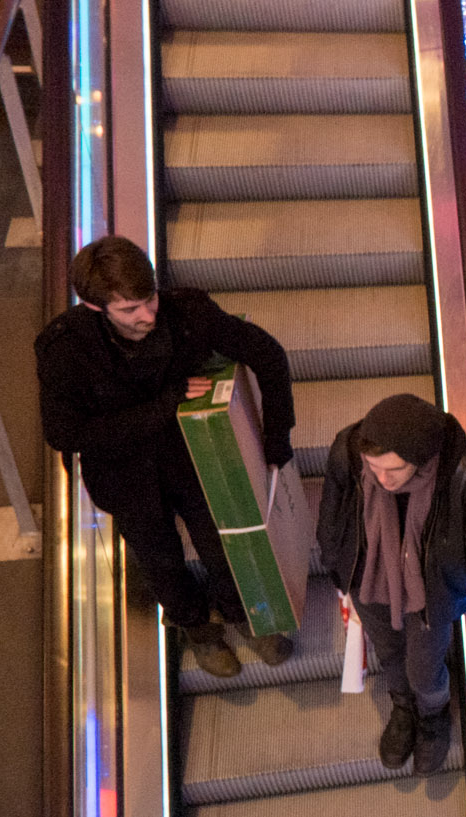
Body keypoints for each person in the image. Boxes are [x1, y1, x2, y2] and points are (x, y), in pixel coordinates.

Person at [36, 236, 297, 677]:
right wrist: (167, 405)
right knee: (160, 561)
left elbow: (268, 356)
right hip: (122, 472)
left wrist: (277, 439)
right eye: (130, 309)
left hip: (189, 457)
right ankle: (196, 627)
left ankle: (241, 615)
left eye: (149, 298)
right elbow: (65, 433)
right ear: (97, 308)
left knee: (221, 544)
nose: (148, 314)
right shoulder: (64, 349)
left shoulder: (187, 313)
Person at [315, 393, 466, 774]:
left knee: (424, 667)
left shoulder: (465, 475)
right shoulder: (348, 448)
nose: (382, 480)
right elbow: (332, 512)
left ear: (421, 456)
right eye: (374, 469)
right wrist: (334, 563)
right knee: (390, 652)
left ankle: (432, 715)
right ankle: (403, 706)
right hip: (370, 580)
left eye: (393, 471)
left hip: (431, 593)